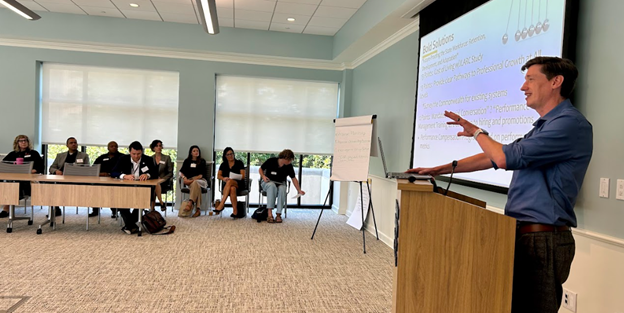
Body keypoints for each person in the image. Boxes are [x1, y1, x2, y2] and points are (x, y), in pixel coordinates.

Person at [407, 57, 593, 313]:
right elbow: (492, 156)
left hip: (544, 238)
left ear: (556, 82)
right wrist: (438, 170)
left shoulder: (570, 124)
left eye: (530, 79)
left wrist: (476, 132)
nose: (522, 87)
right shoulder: (541, 128)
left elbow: (504, 158)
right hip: (524, 234)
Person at [110, 141, 158, 235]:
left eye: (138, 154)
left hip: (143, 187)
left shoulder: (148, 159)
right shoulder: (123, 159)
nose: (136, 156)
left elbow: (155, 173)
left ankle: (129, 225)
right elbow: (113, 172)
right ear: (129, 152)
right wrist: (124, 176)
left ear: (142, 152)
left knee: (142, 202)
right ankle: (132, 226)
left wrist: (147, 175)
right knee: (121, 202)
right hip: (126, 187)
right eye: (134, 154)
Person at [0, 135, 44, 218]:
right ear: (17, 143)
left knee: (14, 185)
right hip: (14, 178)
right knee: (8, 184)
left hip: (29, 178)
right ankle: (6, 206)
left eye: (25, 140)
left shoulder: (34, 153)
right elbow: (3, 165)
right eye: (21, 141)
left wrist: (32, 170)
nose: (23, 142)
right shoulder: (13, 154)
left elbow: (41, 167)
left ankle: (6, 208)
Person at [259, 149, 305, 223]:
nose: (290, 162)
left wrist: (299, 190)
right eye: (289, 160)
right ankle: (269, 213)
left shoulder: (289, 166)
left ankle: (278, 214)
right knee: (272, 186)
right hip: (268, 182)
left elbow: (293, 178)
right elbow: (260, 169)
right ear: (285, 158)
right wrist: (263, 176)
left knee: (283, 188)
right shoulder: (271, 161)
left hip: (280, 183)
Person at [48, 137, 90, 217]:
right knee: (51, 187)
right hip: (62, 178)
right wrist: (56, 171)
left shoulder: (84, 156)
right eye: (71, 143)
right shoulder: (60, 156)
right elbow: (51, 168)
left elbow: (87, 169)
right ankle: (55, 208)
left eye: (75, 142)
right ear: (67, 145)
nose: (73, 144)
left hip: (77, 179)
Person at [92, 141, 123, 218]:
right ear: (108, 148)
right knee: (94, 189)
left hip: (117, 180)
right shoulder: (102, 157)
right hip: (102, 180)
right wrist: (100, 174)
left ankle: (114, 211)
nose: (114, 148)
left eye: (115, 146)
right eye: (112, 146)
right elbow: (94, 168)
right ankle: (95, 210)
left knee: (114, 192)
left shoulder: (122, 157)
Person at [215, 147, 246, 218]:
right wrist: (223, 178)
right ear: (225, 156)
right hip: (228, 185)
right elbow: (218, 176)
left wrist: (234, 177)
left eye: (231, 154)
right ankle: (235, 211)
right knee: (232, 188)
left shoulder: (239, 163)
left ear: (234, 154)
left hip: (239, 184)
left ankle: (222, 204)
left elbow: (243, 176)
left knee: (230, 182)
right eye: (228, 154)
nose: (230, 156)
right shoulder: (223, 164)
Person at [179, 145, 208, 218]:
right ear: (191, 153)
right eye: (194, 151)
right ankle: (198, 210)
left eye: (197, 151)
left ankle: (190, 203)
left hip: (201, 181)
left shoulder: (202, 161)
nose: (196, 152)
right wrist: (184, 177)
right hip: (191, 182)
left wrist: (190, 180)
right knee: (196, 186)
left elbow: (201, 175)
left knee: (196, 183)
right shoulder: (187, 161)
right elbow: (180, 172)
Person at [149, 140, 173, 211]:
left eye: (160, 146)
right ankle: (161, 203)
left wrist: (163, 179)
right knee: (155, 185)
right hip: (153, 180)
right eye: (157, 146)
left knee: (156, 185)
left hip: (164, 181)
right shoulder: (150, 159)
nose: (159, 147)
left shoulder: (166, 158)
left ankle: (152, 209)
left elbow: (170, 172)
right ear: (153, 148)